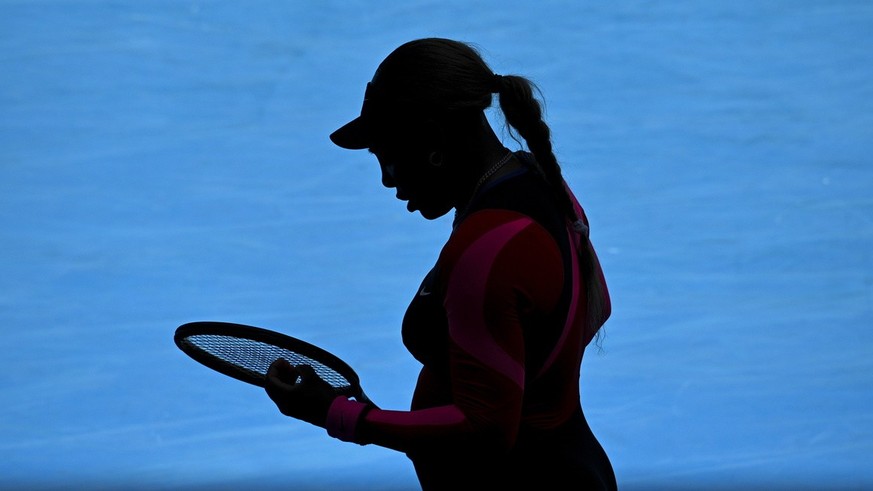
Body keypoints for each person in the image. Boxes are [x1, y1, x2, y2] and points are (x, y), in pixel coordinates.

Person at [265, 38, 617, 490]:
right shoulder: (541, 184)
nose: (385, 178)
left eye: (384, 153)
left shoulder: (488, 247)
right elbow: (596, 307)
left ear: (433, 139)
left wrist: (338, 414)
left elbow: (485, 431)